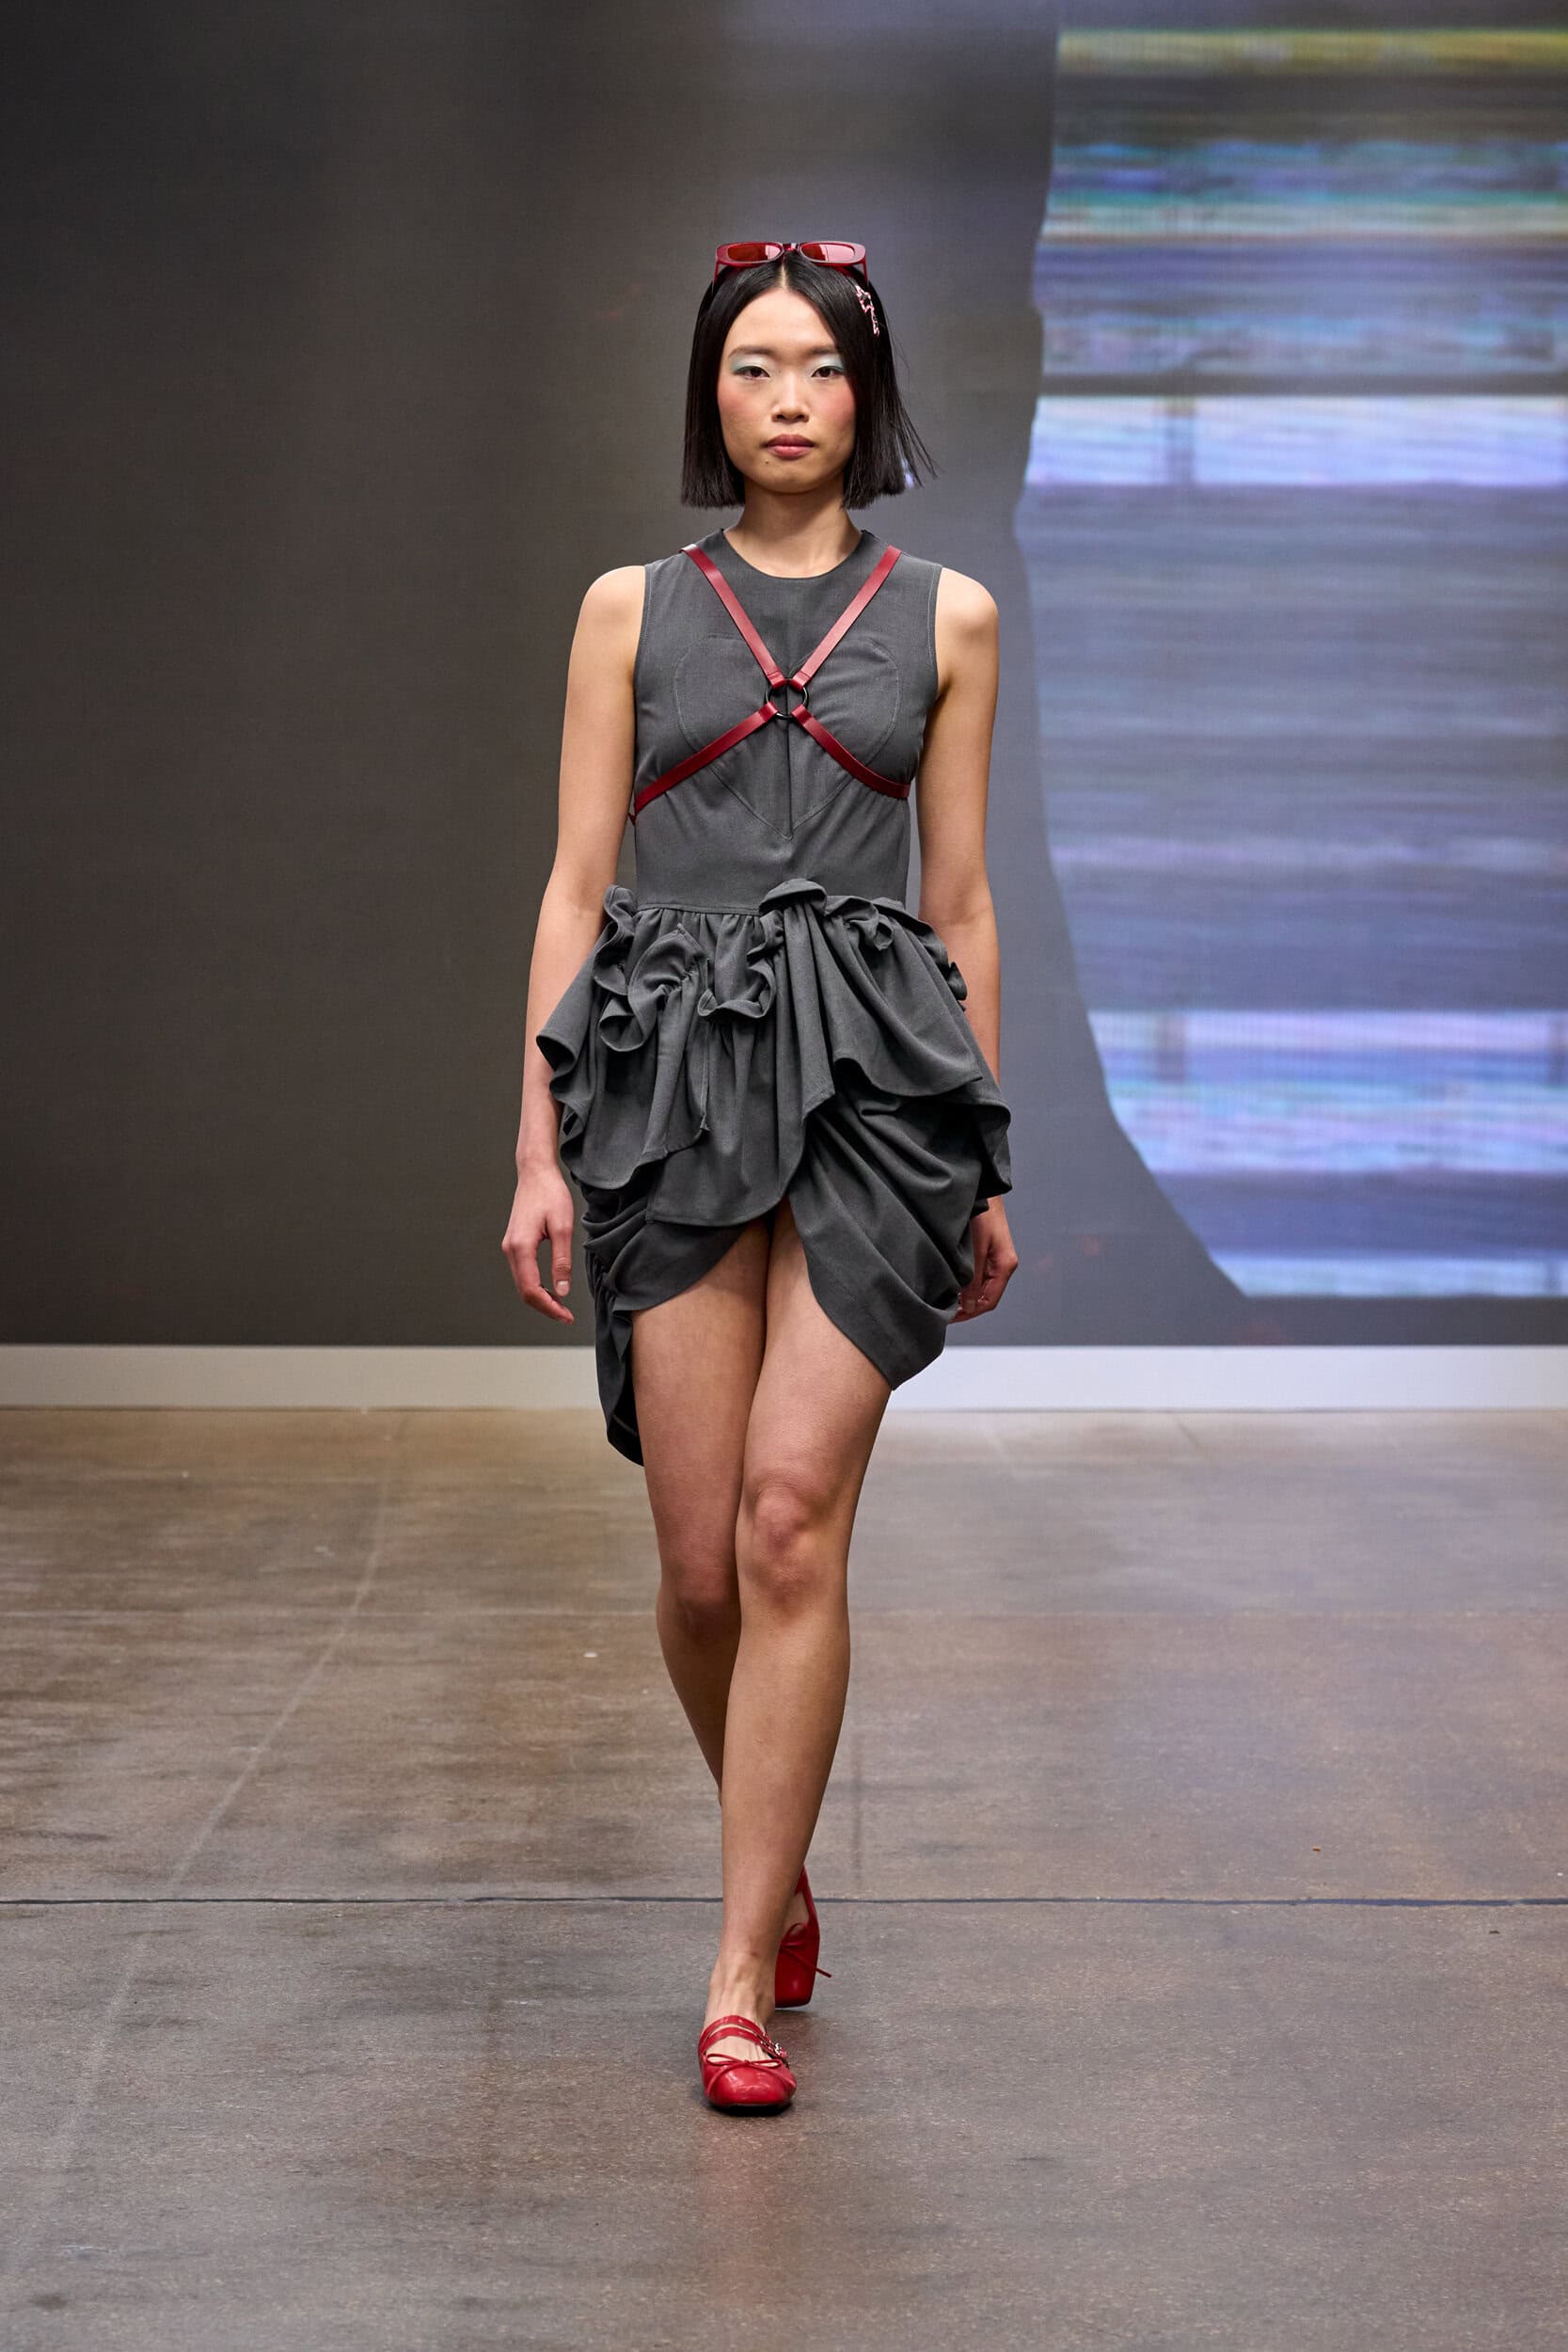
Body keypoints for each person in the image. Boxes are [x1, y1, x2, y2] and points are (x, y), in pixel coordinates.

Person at [503, 240, 1016, 2112]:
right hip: (670, 1077)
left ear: (866, 397)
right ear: (709, 397)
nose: (787, 400)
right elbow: (577, 884)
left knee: (794, 1518)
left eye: (819, 367)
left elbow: (960, 900)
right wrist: (536, 1141)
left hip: (878, 1084)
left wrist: (989, 1154)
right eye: (751, 367)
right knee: (701, 1556)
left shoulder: (949, 614)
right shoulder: (628, 610)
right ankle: (772, 1849)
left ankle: (735, 1972)